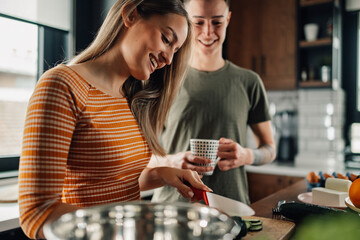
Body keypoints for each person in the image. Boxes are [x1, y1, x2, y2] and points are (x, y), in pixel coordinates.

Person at [18, 0, 211, 239]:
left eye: (175, 50)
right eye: (166, 39)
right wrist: (133, 224)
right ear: (130, 14)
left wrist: (163, 174)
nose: (168, 60)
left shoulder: (130, 98)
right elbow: (36, 213)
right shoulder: (62, 85)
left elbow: (111, 184)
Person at [149, 0, 276, 205]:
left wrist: (246, 155)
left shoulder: (249, 82)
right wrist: (172, 161)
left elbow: (270, 148)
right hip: (172, 207)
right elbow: (141, 157)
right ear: (186, 23)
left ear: (228, 19)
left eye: (217, 22)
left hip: (231, 206)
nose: (208, 32)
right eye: (198, 23)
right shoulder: (163, 78)